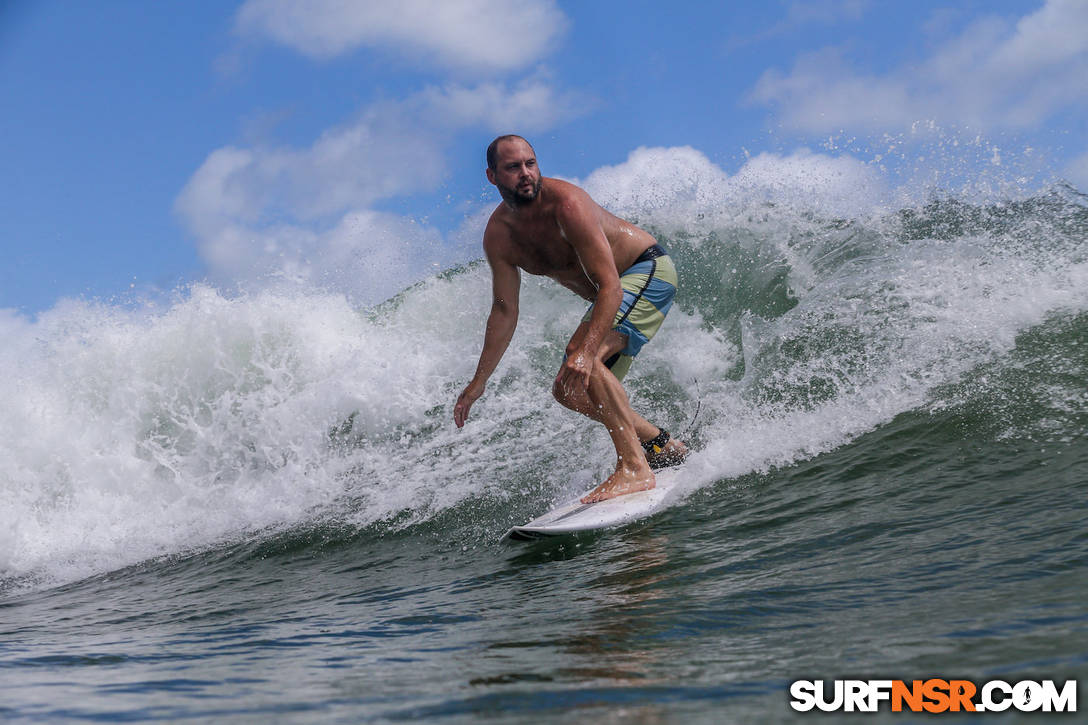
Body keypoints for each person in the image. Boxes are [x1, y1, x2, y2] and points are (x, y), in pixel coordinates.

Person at [453, 135, 688, 503]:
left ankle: (634, 468)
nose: (526, 173)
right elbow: (504, 310)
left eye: (530, 163)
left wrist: (587, 350)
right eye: (513, 168)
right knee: (568, 390)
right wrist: (478, 381)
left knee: (584, 357)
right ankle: (662, 446)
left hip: (647, 272)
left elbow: (610, 286)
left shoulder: (567, 205)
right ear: (492, 176)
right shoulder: (499, 236)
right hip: (616, 291)